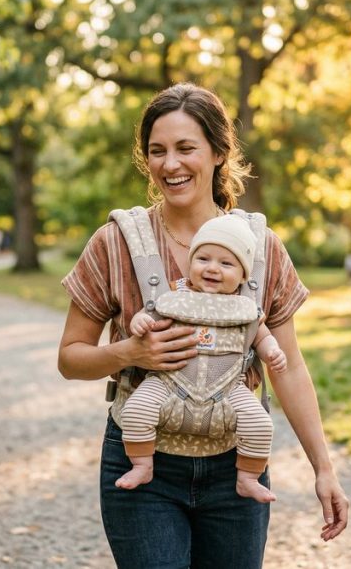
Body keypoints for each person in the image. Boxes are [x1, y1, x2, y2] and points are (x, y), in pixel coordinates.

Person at [58, 83, 348, 568]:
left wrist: (324, 468)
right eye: (157, 151)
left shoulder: (262, 249)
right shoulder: (115, 243)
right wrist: (130, 353)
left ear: (218, 152)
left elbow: (289, 366)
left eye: (185, 148)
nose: (170, 164)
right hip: (141, 464)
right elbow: (70, 357)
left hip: (237, 469)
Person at [118, 214, 287, 504]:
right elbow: (149, 314)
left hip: (228, 389)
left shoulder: (244, 308)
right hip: (168, 383)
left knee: (260, 424)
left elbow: (262, 335)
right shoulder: (174, 296)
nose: (212, 268)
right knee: (136, 409)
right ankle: (142, 465)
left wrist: (272, 351)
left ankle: (247, 478)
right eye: (203, 259)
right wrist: (139, 323)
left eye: (226, 263)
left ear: (244, 276)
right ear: (191, 262)